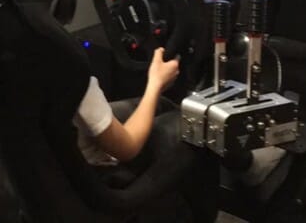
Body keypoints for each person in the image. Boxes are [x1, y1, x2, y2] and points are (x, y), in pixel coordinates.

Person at [75, 46, 286, 188]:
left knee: (161, 105)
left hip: (67, 151)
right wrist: (155, 84)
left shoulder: (55, 58)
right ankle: (251, 166)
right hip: (93, 175)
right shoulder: (73, 74)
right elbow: (127, 149)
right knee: (201, 120)